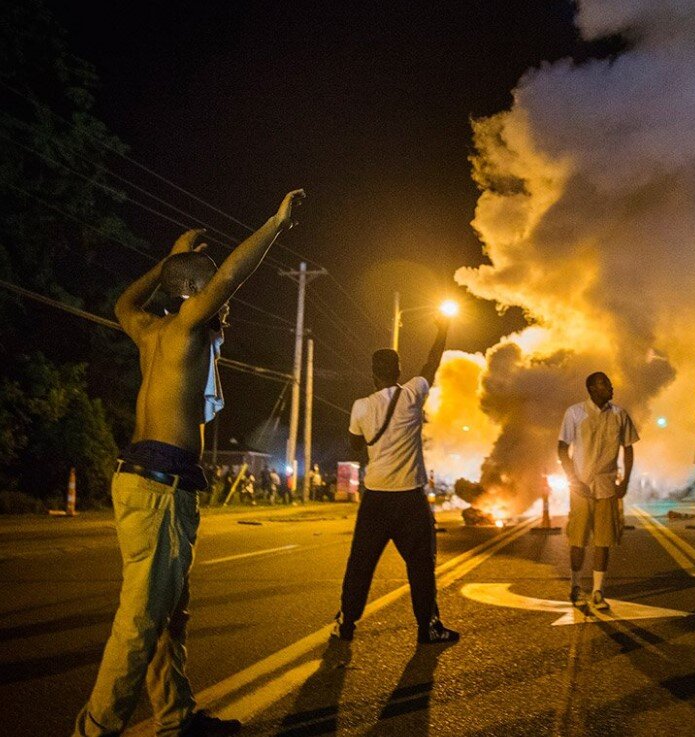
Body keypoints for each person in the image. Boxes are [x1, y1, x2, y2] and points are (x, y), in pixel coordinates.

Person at [74, 189, 305, 737]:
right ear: (194, 293)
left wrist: (167, 261)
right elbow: (227, 279)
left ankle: (176, 720)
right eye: (208, 287)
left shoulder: (150, 330)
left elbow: (122, 306)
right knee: (139, 623)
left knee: (167, 616)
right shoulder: (184, 327)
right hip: (160, 487)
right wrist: (275, 223)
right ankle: (93, 730)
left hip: (149, 480)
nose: (224, 303)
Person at [332, 317, 458, 644]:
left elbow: (356, 445)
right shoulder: (414, 392)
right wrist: (442, 331)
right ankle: (428, 627)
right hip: (410, 498)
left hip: (375, 498)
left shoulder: (360, 407)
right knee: (420, 565)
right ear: (399, 371)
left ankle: (346, 623)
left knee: (360, 563)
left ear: (373, 374)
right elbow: (432, 363)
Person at [558, 372, 639, 610]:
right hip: (581, 487)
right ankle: (575, 584)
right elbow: (562, 449)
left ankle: (597, 591)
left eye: (610, 383)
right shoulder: (575, 413)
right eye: (605, 384)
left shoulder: (620, 415)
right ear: (592, 388)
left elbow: (629, 449)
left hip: (607, 486)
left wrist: (625, 482)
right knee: (578, 540)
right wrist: (572, 478)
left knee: (603, 541)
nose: (611, 387)